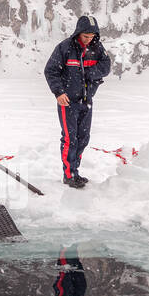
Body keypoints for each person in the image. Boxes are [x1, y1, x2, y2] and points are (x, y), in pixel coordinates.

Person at [45, 15, 111, 188]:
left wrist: (90, 73)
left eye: (92, 37)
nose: (89, 40)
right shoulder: (65, 48)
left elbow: (106, 67)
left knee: (83, 138)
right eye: (85, 37)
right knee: (70, 138)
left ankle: (75, 170)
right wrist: (59, 92)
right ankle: (69, 175)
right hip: (68, 102)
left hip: (86, 100)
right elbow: (50, 71)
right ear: (78, 33)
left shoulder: (97, 48)